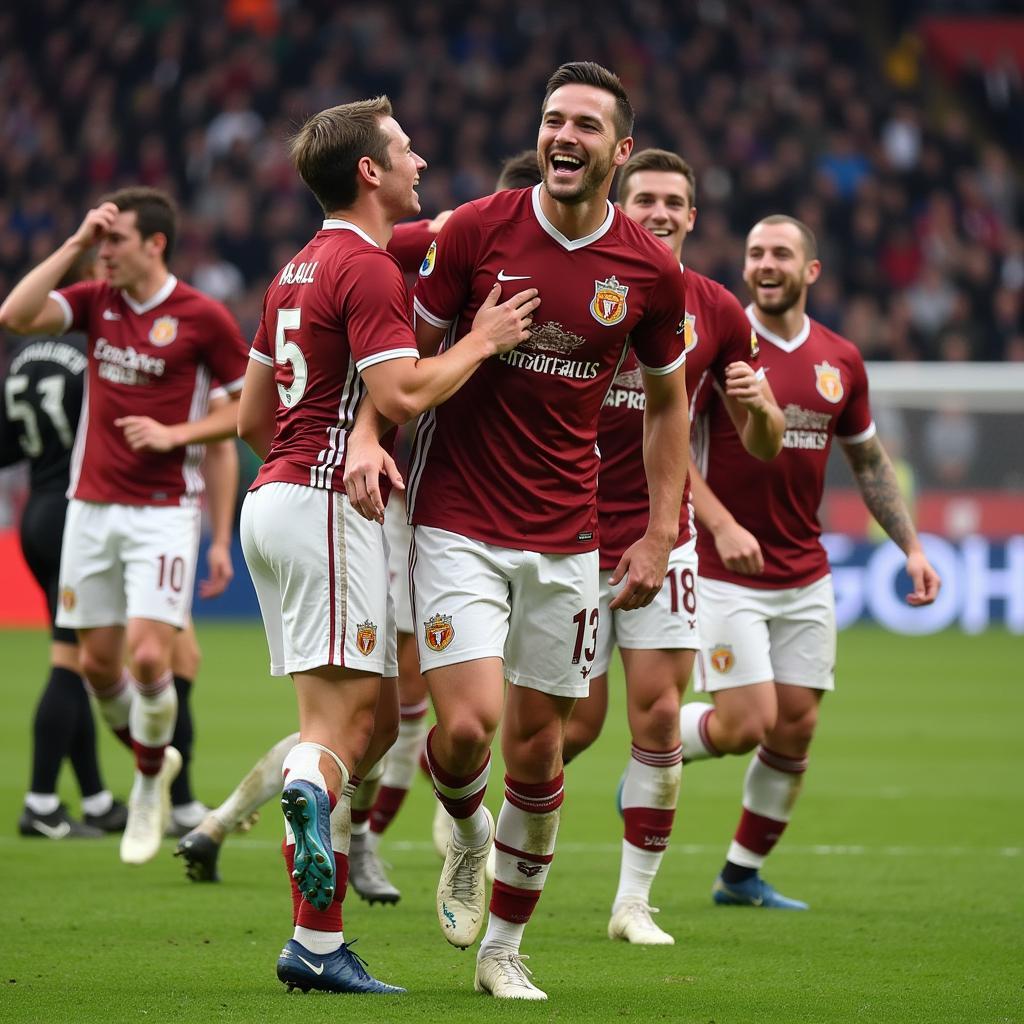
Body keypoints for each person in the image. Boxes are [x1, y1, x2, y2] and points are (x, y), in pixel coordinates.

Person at [352, 62, 690, 1001]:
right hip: (458, 516)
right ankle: (463, 826)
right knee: (465, 728)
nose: (564, 136)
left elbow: (669, 407)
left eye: (586, 124)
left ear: (620, 150)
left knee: (539, 753)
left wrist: (660, 531)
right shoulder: (473, 231)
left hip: (569, 536)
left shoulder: (650, 272)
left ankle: (502, 949)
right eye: (552, 120)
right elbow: (403, 363)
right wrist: (372, 440)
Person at [236, 96, 538, 996]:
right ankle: (316, 934)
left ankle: (317, 937)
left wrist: (300, 465)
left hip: (277, 500)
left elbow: (252, 415)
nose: (421, 161)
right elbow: (403, 395)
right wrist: (482, 340)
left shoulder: (294, 268)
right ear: (368, 171)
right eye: (405, 150)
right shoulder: (364, 270)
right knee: (337, 737)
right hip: (329, 507)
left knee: (361, 730)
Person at [678, 214, 941, 909]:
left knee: (796, 725)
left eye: (781, 254)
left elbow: (868, 460)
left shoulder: (840, 359)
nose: (765, 264)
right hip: (721, 565)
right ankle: (658, 746)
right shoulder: (721, 344)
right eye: (756, 253)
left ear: (810, 271)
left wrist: (911, 546)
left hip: (804, 569)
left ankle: (740, 874)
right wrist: (723, 523)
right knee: (745, 725)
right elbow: (669, 443)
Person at [560, 149, 784, 944]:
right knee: (575, 725)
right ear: (622, 203)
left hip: (665, 536)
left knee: (657, 717)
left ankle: (632, 904)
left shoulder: (716, 310)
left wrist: (760, 411)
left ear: (693, 217)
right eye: (645, 198)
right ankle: (485, 829)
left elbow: (760, 442)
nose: (659, 211)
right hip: (569, 535)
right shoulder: (585, 283)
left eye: (673, 202)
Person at [0, 187, 250, 866]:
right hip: (88, 510)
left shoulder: (201, 316)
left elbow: (250, 414)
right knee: (99, 667)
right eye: (101, 241)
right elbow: (16, 314)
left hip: (163, 513)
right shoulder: (95, 300)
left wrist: (177, 433)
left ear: (155, 244)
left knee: (149, 657)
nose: (105, 252)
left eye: (115, 240)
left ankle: (145, 786)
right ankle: (154, 757)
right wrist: (77, 241)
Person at [2, 249, 125, 839]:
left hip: (36, 514)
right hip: (79, 515)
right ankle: (42, 802)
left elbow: (8, 448)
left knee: (76, 657)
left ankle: (96, 799)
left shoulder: (25, 356)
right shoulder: (92, 353)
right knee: (71, 660)